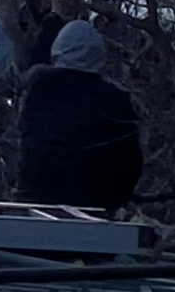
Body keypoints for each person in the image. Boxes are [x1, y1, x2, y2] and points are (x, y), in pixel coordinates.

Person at [16, 21, 143, 211]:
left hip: (35, 199)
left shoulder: (37, 91)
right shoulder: (116, 100)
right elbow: (130, 162)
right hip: (97, 205)